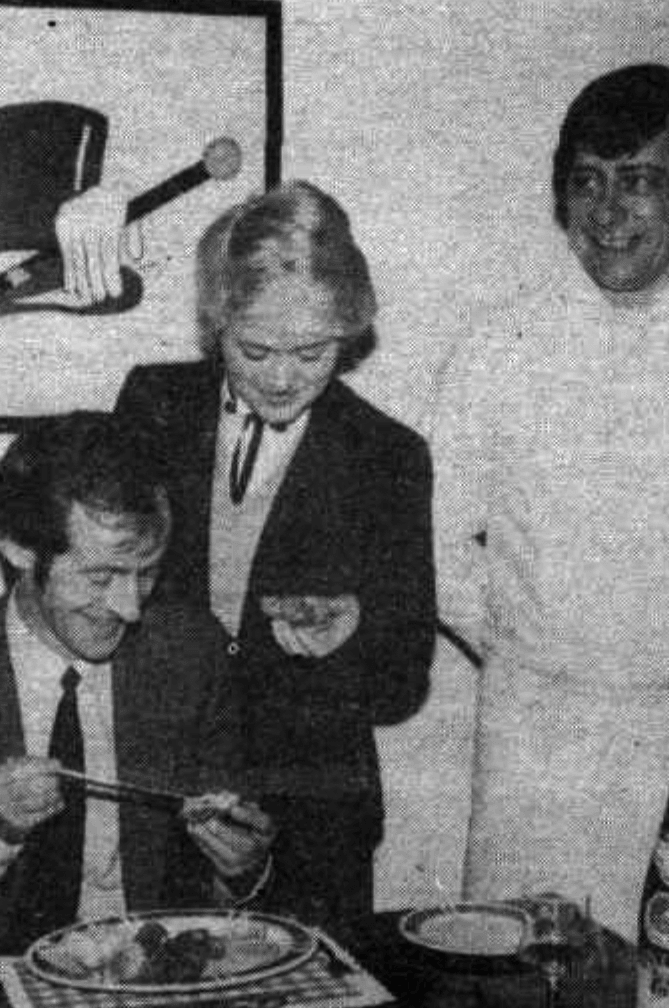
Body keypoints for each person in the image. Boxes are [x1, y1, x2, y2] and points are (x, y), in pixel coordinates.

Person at [431, 63, 669, 1008]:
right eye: (586, 179)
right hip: (535, 738)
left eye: (637, 178)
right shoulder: (498, 347)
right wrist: (542, 653)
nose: (606, 211)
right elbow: (443, 548)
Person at [113, 181, 437, 929]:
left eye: (313, 351)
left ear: (349, 332)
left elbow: (402, 683)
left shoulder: (386, 455)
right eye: (254, 349)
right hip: (161, 786)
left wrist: (355, 627)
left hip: (314, 809)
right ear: (215, 324)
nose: (284, 376)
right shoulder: (152, 404)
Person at [0, 411, 275, 954]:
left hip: (152, 985)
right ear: (19, 548)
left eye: (147, 572)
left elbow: (227, 893)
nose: (130, 606)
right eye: (100, 577)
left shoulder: (191, 653)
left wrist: (241, 868)